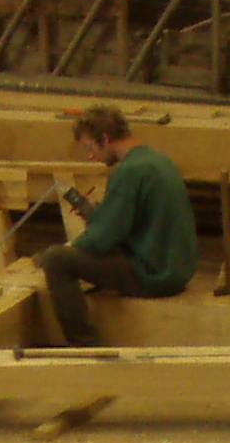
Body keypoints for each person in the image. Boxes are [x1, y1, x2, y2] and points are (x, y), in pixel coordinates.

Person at [38, 104, 197, 343]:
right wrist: (98, 216)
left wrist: (72, 247)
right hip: (176, 268)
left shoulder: (128, 172)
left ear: (105, 138)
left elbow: (103, 238)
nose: (91, 156)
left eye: (90, 148)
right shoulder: (156, 160)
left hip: (154, 274)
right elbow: (126, 221)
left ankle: (84, 344)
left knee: (56, 260)